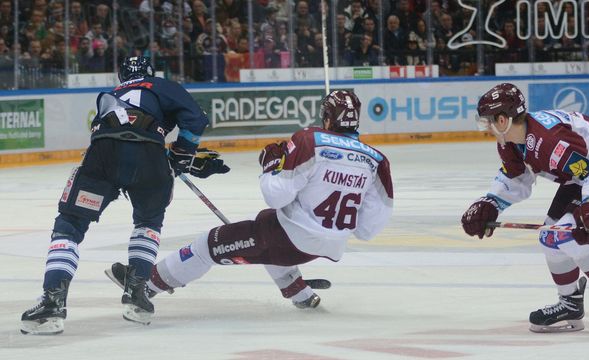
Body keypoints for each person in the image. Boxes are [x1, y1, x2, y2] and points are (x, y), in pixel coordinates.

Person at [105, 90, 393, 311]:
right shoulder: (377, 160)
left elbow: (276, 194)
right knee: (267, 231)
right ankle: (300, 294)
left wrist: (271, 165)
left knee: (208, 244)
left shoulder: (311, 140)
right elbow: (368, 229)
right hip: (329, 244)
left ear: (327, 116)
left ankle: (146, 284)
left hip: (290, 239)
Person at [20, 56, 230, 335]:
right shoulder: (160, 84)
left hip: (102, 157)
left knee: (69, 224)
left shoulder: (111, 95)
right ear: (150, 73)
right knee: (148, 222)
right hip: (149, 161)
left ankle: (52, 302)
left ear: (122, 77)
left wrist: (174, 156)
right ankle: (137, 295)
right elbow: (195, 119)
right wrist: (182, 155)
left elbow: (123, 135)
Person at [461, 83, 589, 341]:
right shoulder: (511, 141)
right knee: (550, 235)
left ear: (502, 119)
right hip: (584, 173)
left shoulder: (551, 141)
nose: (486, 128)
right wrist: (490, 203)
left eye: (487, 122)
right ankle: (570, 302)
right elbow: (516, 178)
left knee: (570, 234)